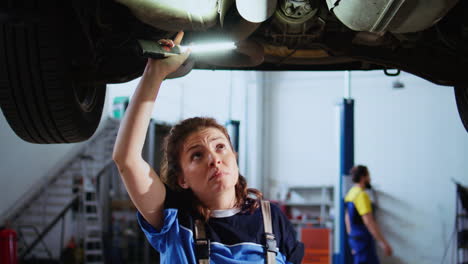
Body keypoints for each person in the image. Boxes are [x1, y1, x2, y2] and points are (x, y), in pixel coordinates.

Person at [112, 31, 304, 264]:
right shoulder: (174, 219)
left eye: (220, 147)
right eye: (197, 155)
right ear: (182, 179)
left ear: (234, 157)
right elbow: (127, 159)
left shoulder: (271, 219)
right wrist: (155, 73)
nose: (214, 159)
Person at [344, 165, 393, 264]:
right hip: (363, 240)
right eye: (368, 176)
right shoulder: (362, 196)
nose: (370, 179)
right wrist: (383, 243)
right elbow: (369, 222)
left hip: (355, 239)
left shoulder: (351, 193)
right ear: (363, 177)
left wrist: (352, 240)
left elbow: (347, 219)